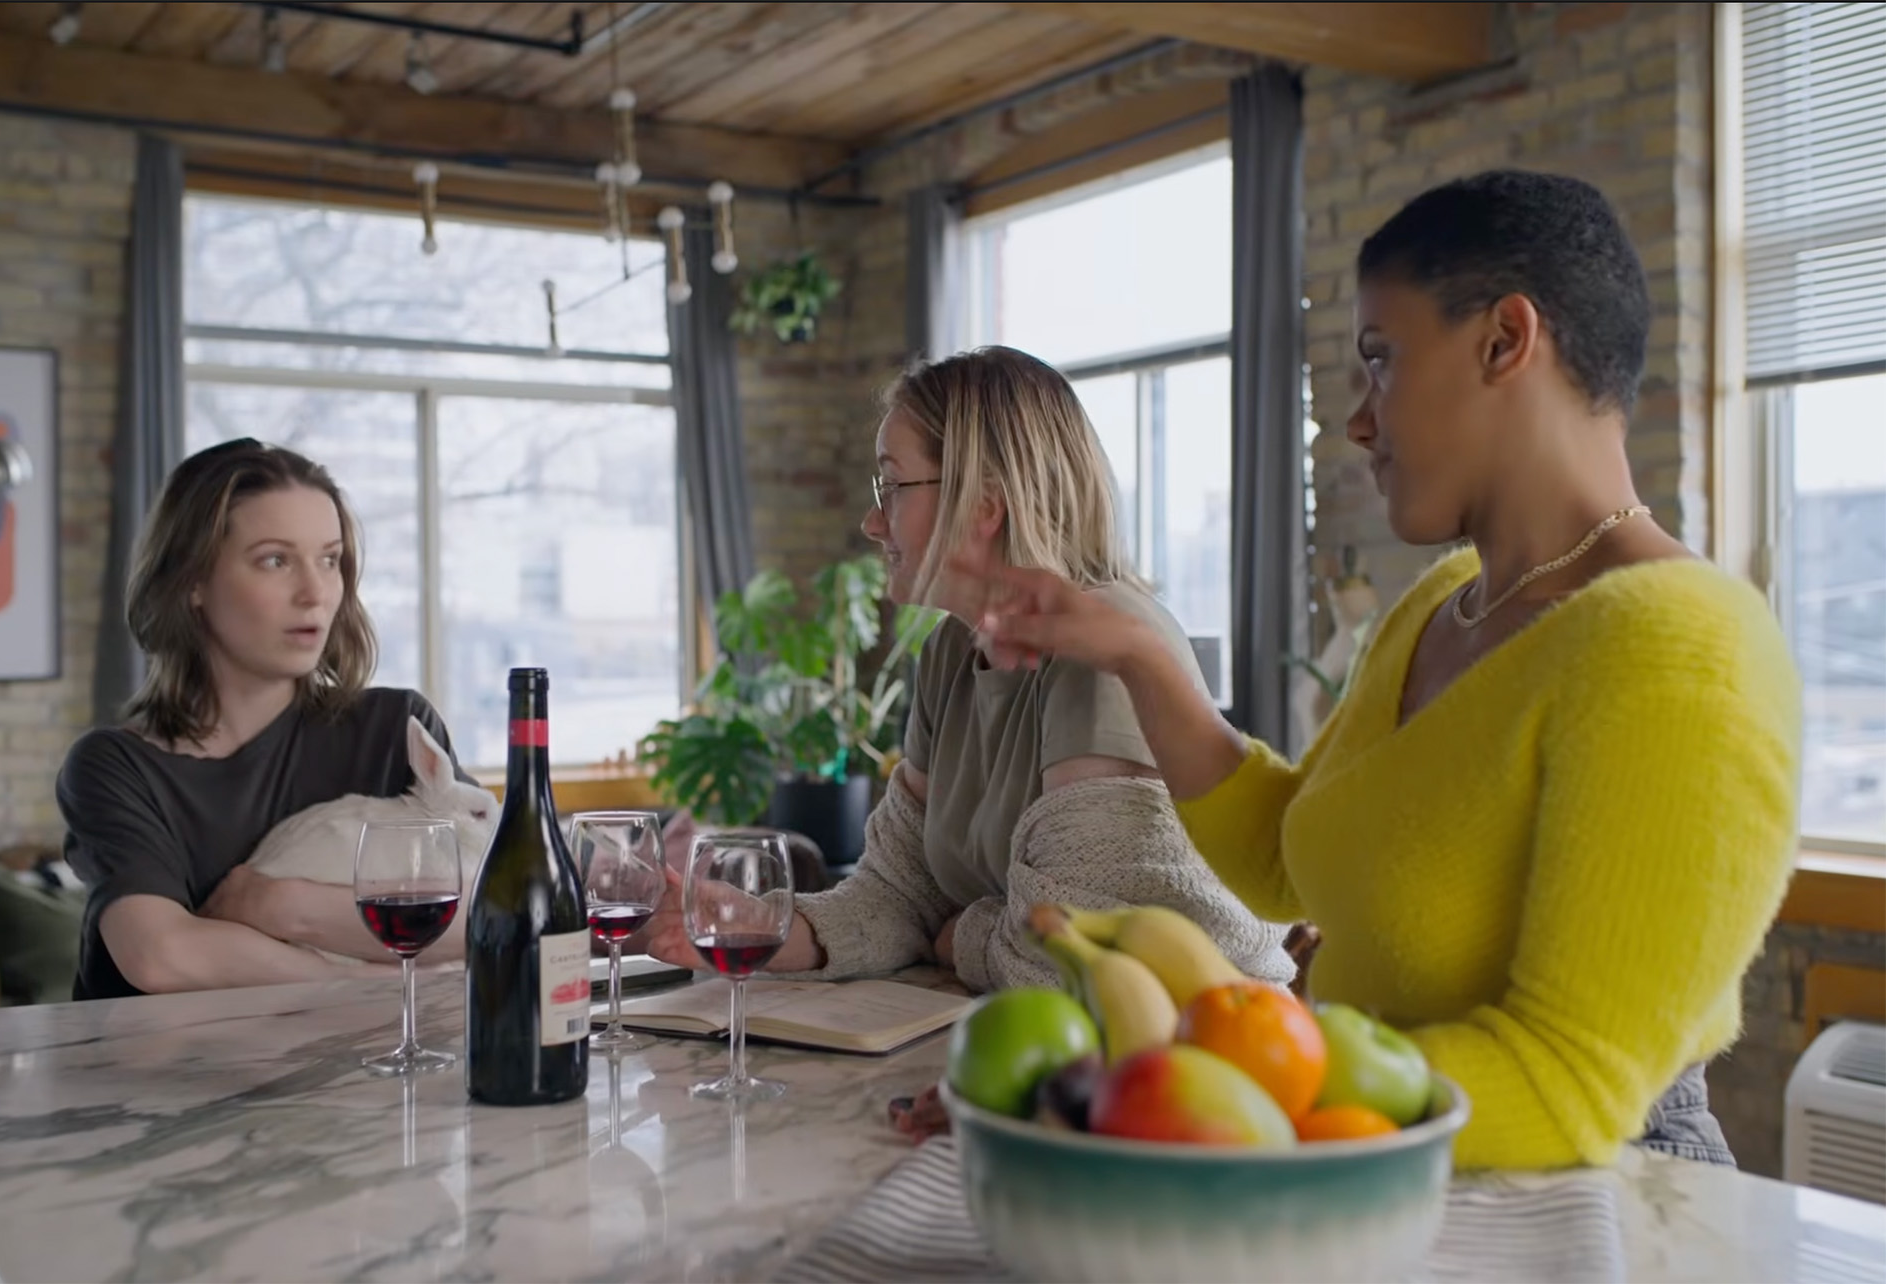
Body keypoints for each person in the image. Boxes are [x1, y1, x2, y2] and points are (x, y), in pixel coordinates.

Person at [967, 172, 1800, 1170]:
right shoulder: (1441, 607)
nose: (1358, 423)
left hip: (1601, 1186)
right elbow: (1283, 858)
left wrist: (1160, 1106)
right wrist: (1138, 654)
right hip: (1381, 1144)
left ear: (1505, 341)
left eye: (1380, 360)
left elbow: (1567, 1084)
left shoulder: (1684, 649)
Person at [645, 347, 1293, 993]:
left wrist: (965, 933)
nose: (872, 522)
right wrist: (768, 926)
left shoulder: (1104, 648)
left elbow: (1071, 960)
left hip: (1207, 1038)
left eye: (892, 486)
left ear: (983, 502)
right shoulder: (951, 651)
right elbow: (898, 894)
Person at [58, 438, 482, 999]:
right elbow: (161, 957)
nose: (315, 593)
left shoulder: (394, 730)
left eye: (329, 559)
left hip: (359, 1058)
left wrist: (278, 905)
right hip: (161, 1059)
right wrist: (362, 982)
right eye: (275, 560)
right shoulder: (115, 767)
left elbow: (499, 912)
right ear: (192, 581)